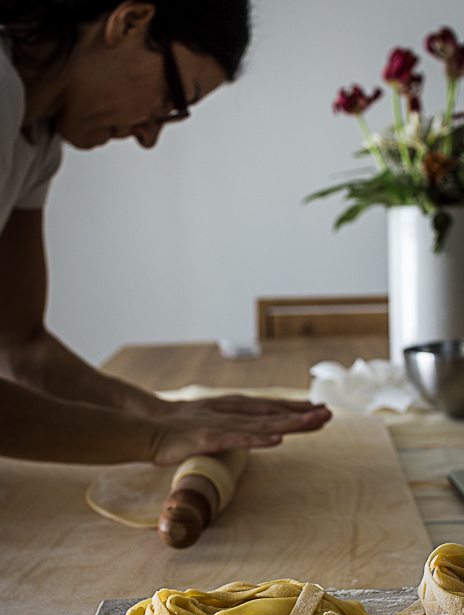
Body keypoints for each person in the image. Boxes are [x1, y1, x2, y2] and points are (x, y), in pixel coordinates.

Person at [0, 0, 331, 466]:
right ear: (129, 22)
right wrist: (151, 438)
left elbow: (20, 345)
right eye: (172, 100)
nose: (149, 136)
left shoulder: (37, 141)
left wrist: (160, 413)